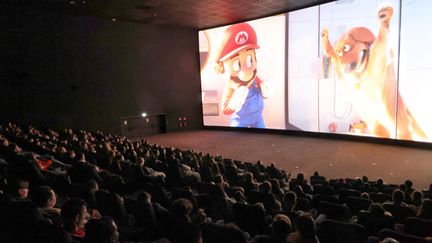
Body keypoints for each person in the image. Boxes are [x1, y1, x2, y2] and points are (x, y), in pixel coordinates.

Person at [215, 22, 271, 128]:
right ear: (221, 68)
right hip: (240, 121)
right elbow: (225, 109)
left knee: (262, 140)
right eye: (237, 64)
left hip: (258, 118)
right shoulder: (231, 87)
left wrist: (266, 91)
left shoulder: (255, 79)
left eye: (250, 59)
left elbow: (264, 92)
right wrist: (234, 102)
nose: (246, 72)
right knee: (236, 141)